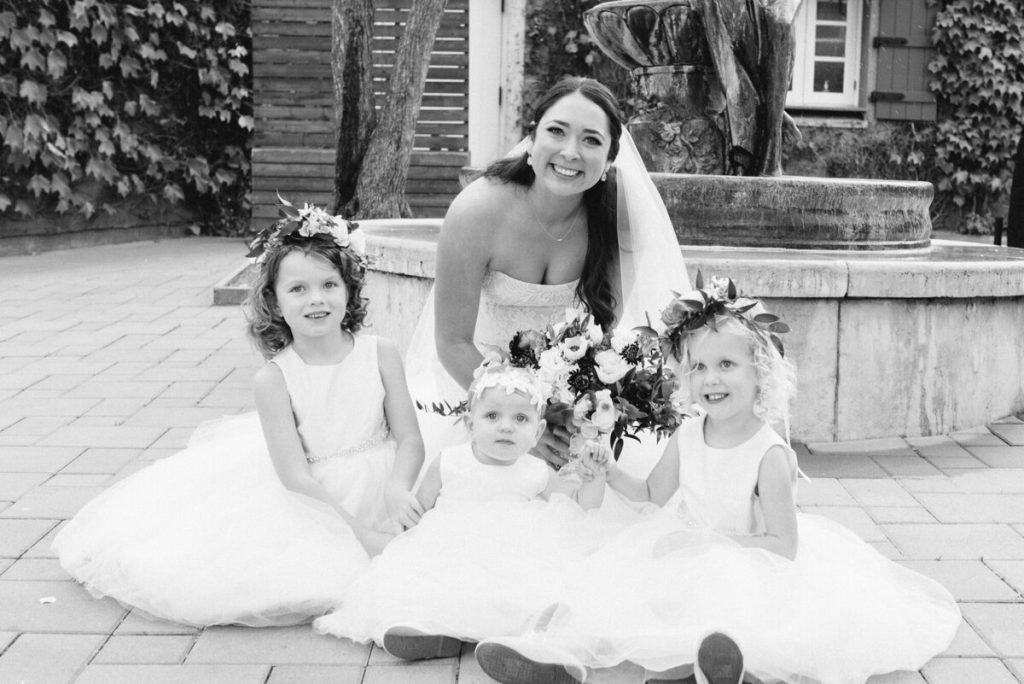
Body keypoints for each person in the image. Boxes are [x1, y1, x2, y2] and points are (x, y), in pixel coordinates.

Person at [475, 278, 961, 684]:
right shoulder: (689, 433)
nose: (712, 379)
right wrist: (610, 472)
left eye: (727, 365)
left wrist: (708, 543)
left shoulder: (768, 454)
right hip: (688, 547)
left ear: (760, 372)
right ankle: (556, 656)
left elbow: (783, 547)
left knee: (727, 602)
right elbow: (651, 496)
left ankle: (711, 663)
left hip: (746, 558)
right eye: (700, 367)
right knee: (613, 586)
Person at [52, 201, 424, 627]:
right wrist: (359, 534)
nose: (316, 299)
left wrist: (398, 487)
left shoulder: (382, 353)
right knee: (311, 576)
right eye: (298, 289)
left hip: (384, 479)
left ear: (349, 290)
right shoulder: (275, 379)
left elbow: (409, 438)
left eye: (329, 284)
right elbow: (295, 477)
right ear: (275, 301)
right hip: (317, 501)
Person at [405, 76, 689, 474]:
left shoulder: (620, 220)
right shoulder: (477, 212)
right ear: (532, 138)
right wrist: (520, 422)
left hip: (565, 404)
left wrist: (575, 412)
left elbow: (601, 337)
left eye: (591, 140)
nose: (570, 152)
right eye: (556, 131)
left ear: (609, 160)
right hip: (475, 389)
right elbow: (452, 341)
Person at [313, 359, 616, 657]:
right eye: (493, 416)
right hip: (452, 552)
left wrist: (595, 477)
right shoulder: (449, 462)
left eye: (520, 419)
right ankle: (432, 633)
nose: (506, 427)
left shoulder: (536, 470)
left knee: (526, 588)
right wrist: (405, 548)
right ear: (472, 424)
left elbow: (578, 506)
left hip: (515, 555)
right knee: (431, 587)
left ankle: (525, 636)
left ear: (537, 432)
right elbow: (418, 513)